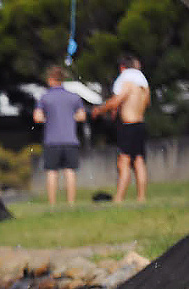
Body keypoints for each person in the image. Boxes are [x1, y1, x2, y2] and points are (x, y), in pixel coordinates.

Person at [91, 55, 151, 203]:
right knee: (138, 161)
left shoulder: (126, 78)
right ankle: (141, 197)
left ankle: (118, 199)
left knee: (123, 162)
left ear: (122, 67)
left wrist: (100, 110)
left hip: (128, 126)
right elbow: (147, 102)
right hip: (140, 124)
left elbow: (117, 99)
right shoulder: (143, 81)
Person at [33, 65, 86, 206]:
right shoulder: (74, 97)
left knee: (52, 172)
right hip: (70, 140)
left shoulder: (45, 97)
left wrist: (48, 118)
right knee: (70, 171)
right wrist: (69, 117)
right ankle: (71, 203)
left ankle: (52, 203)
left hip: (52, 140)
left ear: (50, 80)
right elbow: (82, 116)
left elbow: (37, 117)